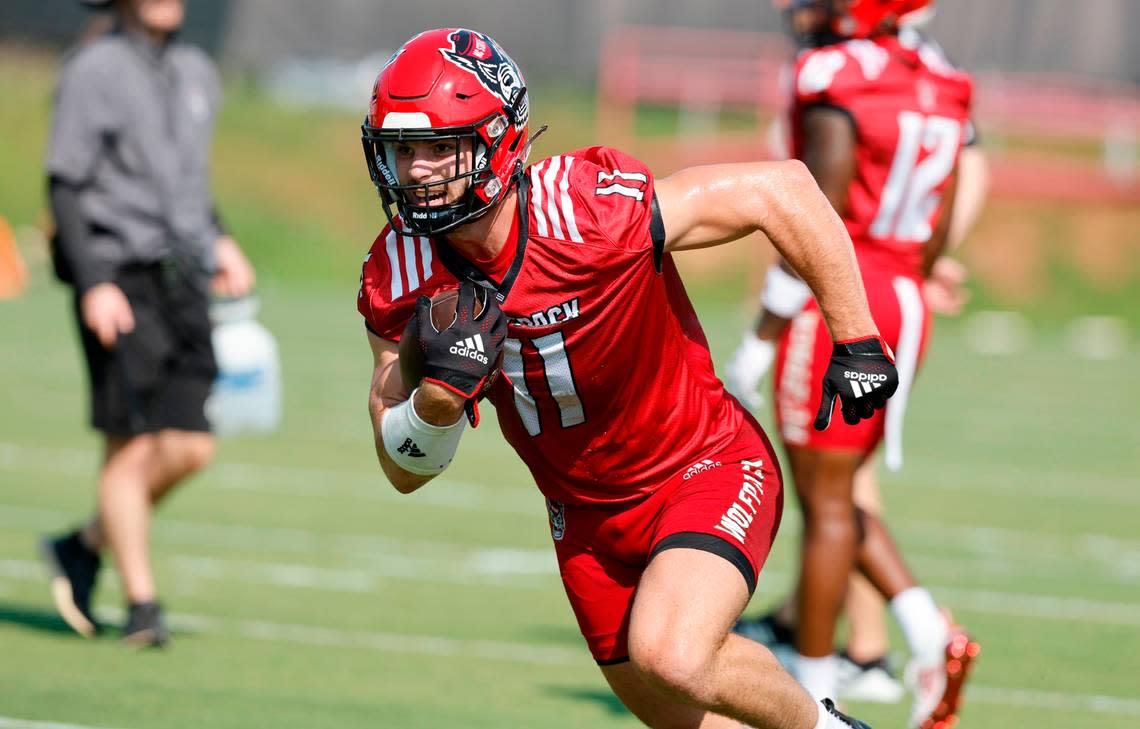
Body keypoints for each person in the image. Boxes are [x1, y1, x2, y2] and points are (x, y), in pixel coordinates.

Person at [358, 28, 899, 729]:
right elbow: (399, 463)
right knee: (685, 717)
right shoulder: (398, 270)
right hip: (585, 519)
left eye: (439, 147)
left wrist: (855, 336)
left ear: (498, 140)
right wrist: (432, 397)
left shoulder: (587, 208)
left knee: (672, 654)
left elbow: (783, 189)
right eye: (403, 151)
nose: (418, 171)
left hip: (702, 464)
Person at [721, 1, 981, 726]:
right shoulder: (939, 76)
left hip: (842, 298)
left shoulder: (833, 71)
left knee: (825, 502)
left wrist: (764, 333)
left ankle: (811, 694)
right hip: (904, 292)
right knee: (838, 491)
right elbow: (936, 225)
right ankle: (928, 632)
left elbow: (814, 209)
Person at [39, 0, 255, 648]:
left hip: (184, 279)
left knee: (192, 443)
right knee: (129, 443)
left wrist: (221, 238)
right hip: (120, 276)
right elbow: (64, 183)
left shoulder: (196, 70)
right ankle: (143, 604)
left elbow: (189, 182)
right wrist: (93, 281)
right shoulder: (93, 68)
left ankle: (82, 546)